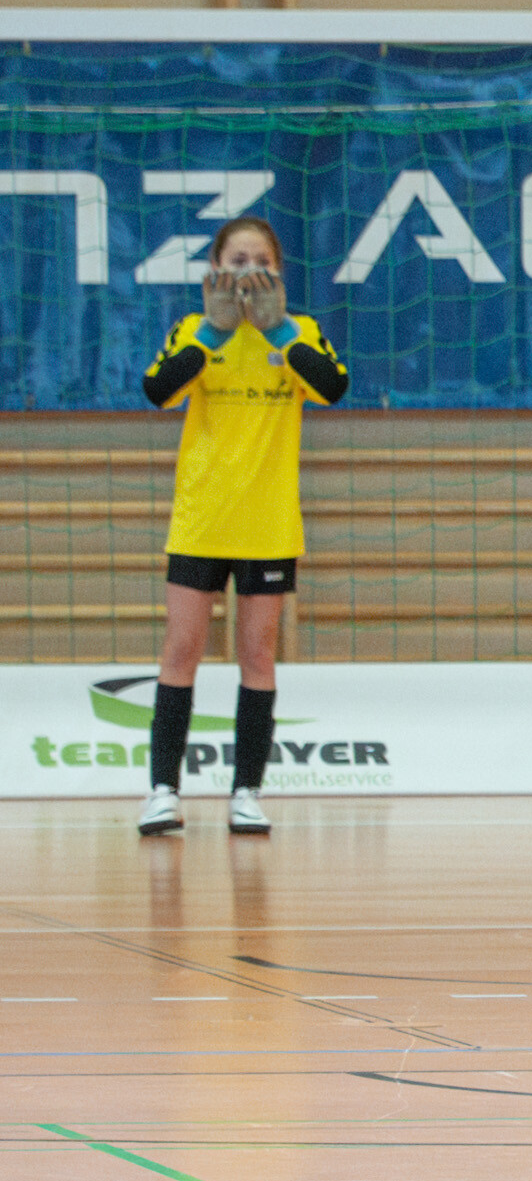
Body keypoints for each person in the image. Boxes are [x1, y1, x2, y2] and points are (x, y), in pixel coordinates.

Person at [137, 216, 349, 836]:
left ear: (278, 271)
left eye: (261, 261)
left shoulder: (301, 332)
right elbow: (158, 389)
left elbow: (333, 386)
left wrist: (278, 330)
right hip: (202, 520)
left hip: (268, 524)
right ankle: (163, 791)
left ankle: (247, 792)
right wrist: (214, 331)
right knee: (182, 650)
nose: (248, 272)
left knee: (257, 654)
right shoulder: (194, 330)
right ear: (215, 270)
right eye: (236, 261)